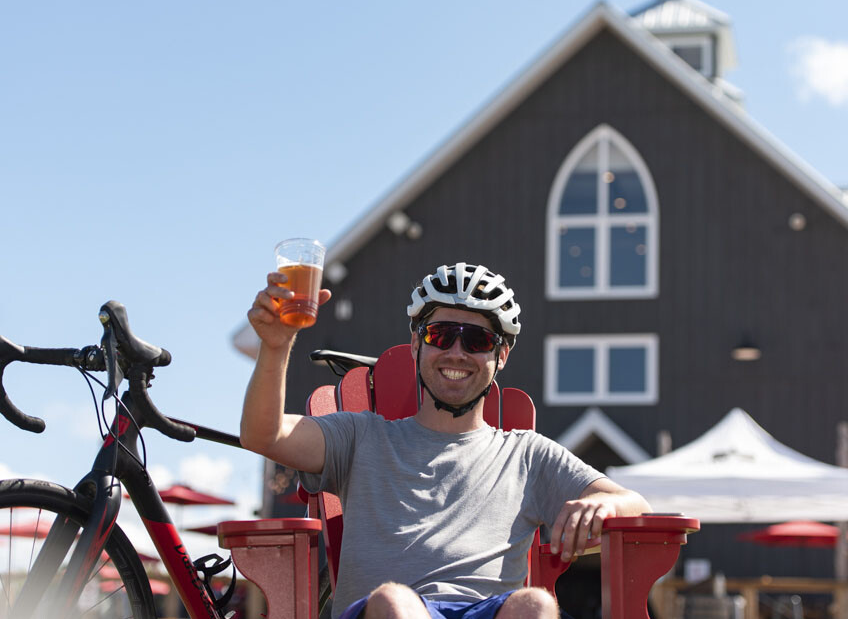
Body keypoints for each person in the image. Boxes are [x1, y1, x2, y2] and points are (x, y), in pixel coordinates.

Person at [242, 262, 650, 619]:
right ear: (416, 344)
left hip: (486, 610)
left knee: (534, 604)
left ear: (501, 356)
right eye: (440, 335)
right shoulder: (360, 437)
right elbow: (265, 435)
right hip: (387, 612)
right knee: (395, 602)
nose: (457, 352)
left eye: (477, 341)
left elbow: (636, 504)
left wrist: (603, 503)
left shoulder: (526, 455)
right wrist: (275, 347)